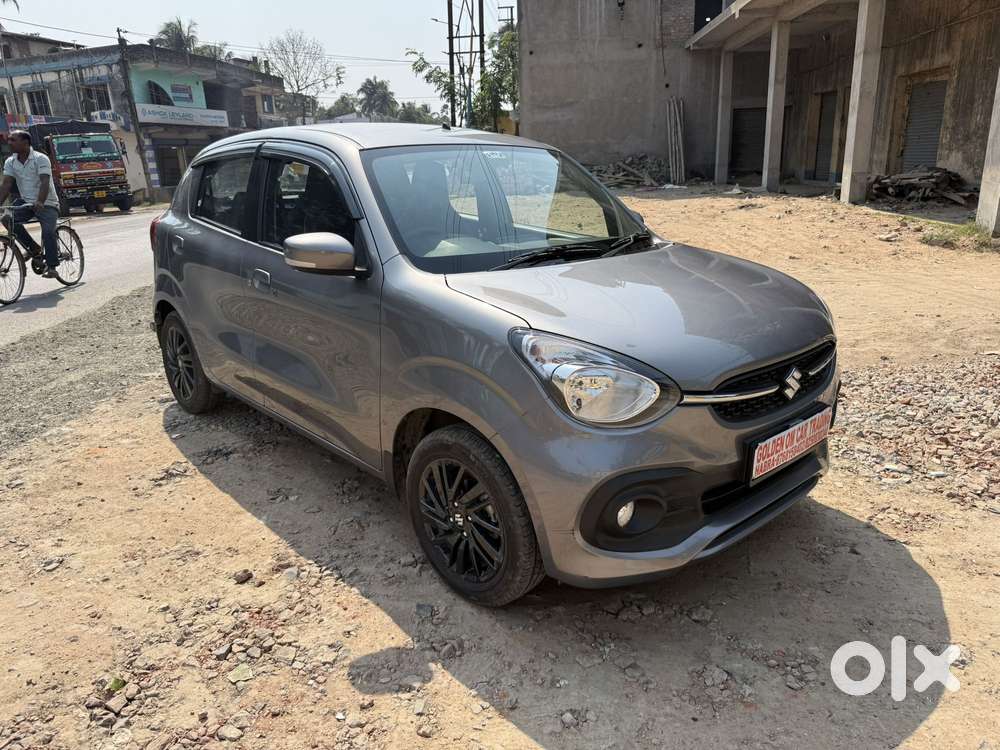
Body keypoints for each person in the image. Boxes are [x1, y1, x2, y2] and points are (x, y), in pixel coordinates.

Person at [0, 130, 61, 277]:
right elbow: (7, 185)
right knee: (7, 219)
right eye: (9, 140)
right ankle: (34, 249)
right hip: (26, 202)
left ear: (25, 142)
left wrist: (40, 201)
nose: (9, 143)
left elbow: (45, 181)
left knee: (48, 231)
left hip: (47, 202)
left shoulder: (40, 158)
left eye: (13, 140)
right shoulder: (10, 161)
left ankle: (52, 266)